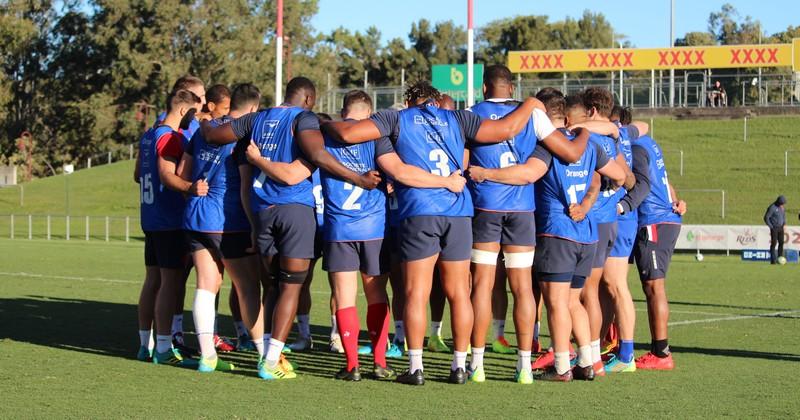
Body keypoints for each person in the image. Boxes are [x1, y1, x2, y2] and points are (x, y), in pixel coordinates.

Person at [323, 81, 547, 385]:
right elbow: (507, 130)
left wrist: (320, 123)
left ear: (410, 100)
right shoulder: (457, 118)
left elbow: (351, 136)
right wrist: (531, 104)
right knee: (459, 292)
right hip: (458, 213)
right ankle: (459, 366)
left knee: (417, 292)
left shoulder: (396, 119)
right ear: (434, 100)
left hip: (420, 212)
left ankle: (416, 368)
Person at [203, 77, 376, 380]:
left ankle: (274, 354)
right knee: (291, 286)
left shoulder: (256, 119)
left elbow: (216, 137)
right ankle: (271, 361)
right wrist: (358, 178)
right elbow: (318, 155)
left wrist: (204, 125)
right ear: (309, 99)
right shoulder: (303, 118)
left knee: (272, 286)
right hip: (295, 212)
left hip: (262, 212)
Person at [465, 65, 590, 384]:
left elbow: (463, 161)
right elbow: (568, 153)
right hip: (522, 211)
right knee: (523, 289)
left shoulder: (470, 113)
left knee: (482, 285)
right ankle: (524, 367)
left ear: (483, 89)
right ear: (512, 87)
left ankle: (476, 365)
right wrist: (584, 130)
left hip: (485, 207)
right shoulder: (532, 114)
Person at [531, 91, 625, 382]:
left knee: (556, 303)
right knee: (574, 302)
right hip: (586, 235)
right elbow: (618, 175)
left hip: (557, 233)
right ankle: (588, 362)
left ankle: (561, 367)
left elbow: (527, 174)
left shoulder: (545, 145)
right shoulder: (591, 146)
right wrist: (587, 203)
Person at [177, 83, 268, 373]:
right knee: (248, 288)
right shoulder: (243, 134)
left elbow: (182, 173)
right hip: (229, 222)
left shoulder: (207, 129)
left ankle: (207, 356)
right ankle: (267, 356)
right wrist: (254, 225)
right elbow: (244, 185)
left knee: (206, 284)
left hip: (196, 217)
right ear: (253, 109)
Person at [135, 89, 204, 366]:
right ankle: (163, 347)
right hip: (169, 220)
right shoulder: (170, 137)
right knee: (169, 283)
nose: (194, 119)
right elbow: (167, 175)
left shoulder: (148, 135)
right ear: (184, 110)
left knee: (152, 281)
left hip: (150, 218)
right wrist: (191, 187)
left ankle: (144, 345)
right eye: (194, 113)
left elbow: (138, 175)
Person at [629, 133, 687, 370]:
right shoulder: (649, 142)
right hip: (665, 218)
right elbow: (665, 180)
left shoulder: (633, 147)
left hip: (654, 221)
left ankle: (661, 353)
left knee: (654, 286)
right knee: (650, 286)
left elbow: (646, 182)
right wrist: (676, 200)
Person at [765, 196, 787, 264]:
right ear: (778, 202)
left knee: (781, 243)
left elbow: (783, 215)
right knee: (774, 243)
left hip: (781, 228)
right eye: (782, 203)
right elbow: (766, 218)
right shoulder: (772, 207)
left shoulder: (782, 207)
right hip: (774, 228)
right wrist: (771, 227)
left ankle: (780, 258)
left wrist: (784, 223)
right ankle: (773, 260)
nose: (783, 205)